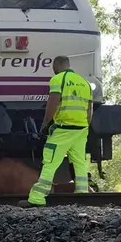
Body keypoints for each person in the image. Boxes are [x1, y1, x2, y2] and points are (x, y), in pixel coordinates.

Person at [20, 56, 93, 207]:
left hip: (63, 130)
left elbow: (52, 102)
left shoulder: (58, 79)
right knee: (80, 163)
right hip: (81, 130)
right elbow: (90, 109)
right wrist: (85, 127)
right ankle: (82, 198)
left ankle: (37, 198)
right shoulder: (85, 83)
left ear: (57, 65)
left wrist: (45, 124)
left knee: (50, 163)